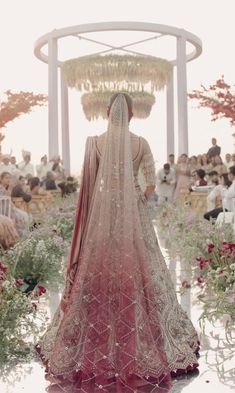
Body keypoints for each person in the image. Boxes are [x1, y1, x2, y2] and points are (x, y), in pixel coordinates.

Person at [36, 93, 199, 393]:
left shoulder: (95, 142)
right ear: (132, 114)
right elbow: (151, 183)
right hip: (131, 213)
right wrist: (136, 196)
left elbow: (89, 183)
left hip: (101, 213)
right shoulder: (141, 143)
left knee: (98, 268)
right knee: (137, 265)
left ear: (108, 111)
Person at [0, 172, 30, 238]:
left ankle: (21, 237)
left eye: (9, 178)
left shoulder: (6, 188)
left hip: (8, 209)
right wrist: (10, 187)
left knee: (25, 215)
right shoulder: (1, 188)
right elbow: (6, 199)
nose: (8, 179)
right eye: (6, 178)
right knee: (23, 216)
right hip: (4, 211)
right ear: (1, 179)